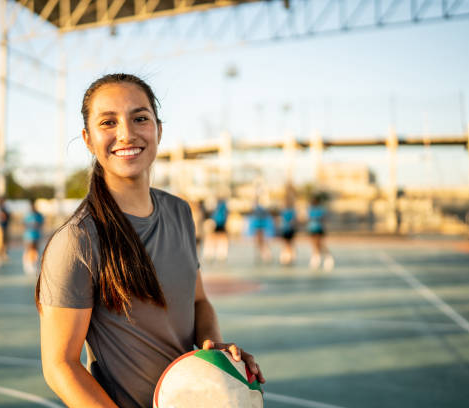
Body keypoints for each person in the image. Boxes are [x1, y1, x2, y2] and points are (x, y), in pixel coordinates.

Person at [35, 73, 265, 408]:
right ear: (88, 139)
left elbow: (199, 302)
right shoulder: (78, 241)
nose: (126, 133)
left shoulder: (180, 213)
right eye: (108, 122)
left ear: (158, 129)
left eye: (140, 118)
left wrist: (215, 356)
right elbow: (60, 365)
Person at [307, 193, 334, 271]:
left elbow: (323, 218)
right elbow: (309, 218)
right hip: (311, 228)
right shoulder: (310, 208)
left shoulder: (320, 209)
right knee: (314, 244)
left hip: (318, 228)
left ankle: (328, 257)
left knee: (320, 243)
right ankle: (316, 258)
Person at [23, 198, 45, 276]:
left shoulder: (39, 215)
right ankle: (28, 264)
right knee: (29, 249)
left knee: (35, 250)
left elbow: (42, 223)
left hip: (36, 235)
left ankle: (34, 264)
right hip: (29, 236)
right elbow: (24, 224)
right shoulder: (28, 215)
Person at [279, 185, 297, 265]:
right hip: (285, 229)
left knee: (289, 243)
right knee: (285, 242)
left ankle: (290, 256)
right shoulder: (284, 210)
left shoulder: (291, 210)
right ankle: (286, 256)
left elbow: (294, 220)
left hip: (290, 229)